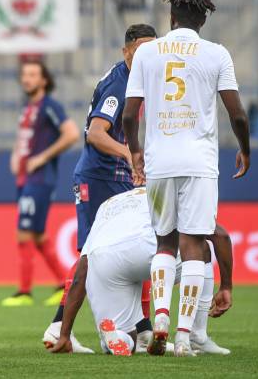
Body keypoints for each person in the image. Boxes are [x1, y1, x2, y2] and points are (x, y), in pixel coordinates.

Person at [122, 0, 250, 356]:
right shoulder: (216, 54)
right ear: (203, 19)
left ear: (171, 18)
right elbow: (237, 114)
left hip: (160, 161)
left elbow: (130, 115)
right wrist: (244, 149)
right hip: (199, 163)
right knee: (194, 246)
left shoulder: (147, 52)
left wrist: (136, 153)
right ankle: (182, 337)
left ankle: (159, 315)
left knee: (165, 242)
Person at [42, 24, 156, 352]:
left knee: (134, 246)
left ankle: (142, 327)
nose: (148, 56)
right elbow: (95, 132)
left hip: (117, 177)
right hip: (99, 177)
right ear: (127, 52)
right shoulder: (120, 84)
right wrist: (131, 154)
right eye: (141, 49)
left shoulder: (137, 79)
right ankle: (59, 328)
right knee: (92, 256)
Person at [48, 187, 234, 356]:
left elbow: (80, 275)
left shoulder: (107, 204)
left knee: (127, 335)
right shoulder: (166, 189)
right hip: (150, 246)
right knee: (199, 247)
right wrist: (226, 286)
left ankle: (118, 338)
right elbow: (221, 235)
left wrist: (64, 335)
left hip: (104, 257)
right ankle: (197, 336)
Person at [2, 60, 78, 307]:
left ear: (44, 80)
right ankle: (62, 284)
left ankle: (24, 291)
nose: (27, 79)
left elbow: (72, 134)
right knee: (37, 234)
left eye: (33, 74)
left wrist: (43, 157)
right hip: (26, 178)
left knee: (24, 232)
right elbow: (23, 139)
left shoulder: (49, 106)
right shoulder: (28, 108)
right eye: (24, 74)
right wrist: (16, 156)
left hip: (40, 178)